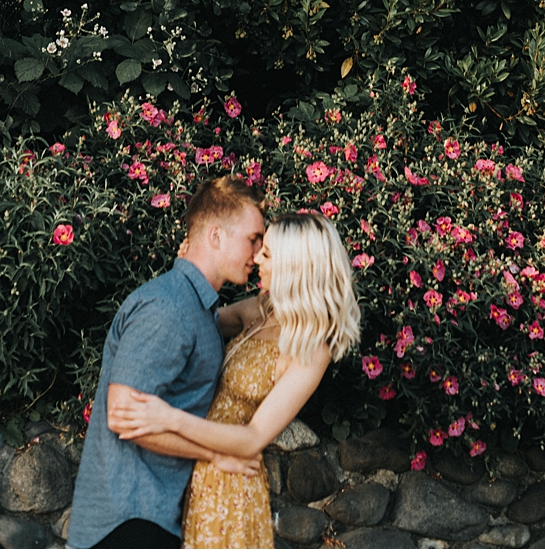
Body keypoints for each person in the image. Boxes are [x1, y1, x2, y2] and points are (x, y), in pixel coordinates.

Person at [108, 211, 363, 548]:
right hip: (189, 463)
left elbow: (253, 438)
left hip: (226, 485)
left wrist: (168, 417)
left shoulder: (312, 348)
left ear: (295, 268)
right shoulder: (260, 310)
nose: (256, 257)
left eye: (268, 254)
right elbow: (188, 323)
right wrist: (188, 271)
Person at [66, 177, 268, 549]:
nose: (257, 254)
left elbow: (260, 312)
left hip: (149, 517)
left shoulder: (197, 309)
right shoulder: (168, 308)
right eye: (253, 239)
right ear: (217, 236)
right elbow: (123, 415)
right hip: (127, 521)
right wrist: (216, 454)